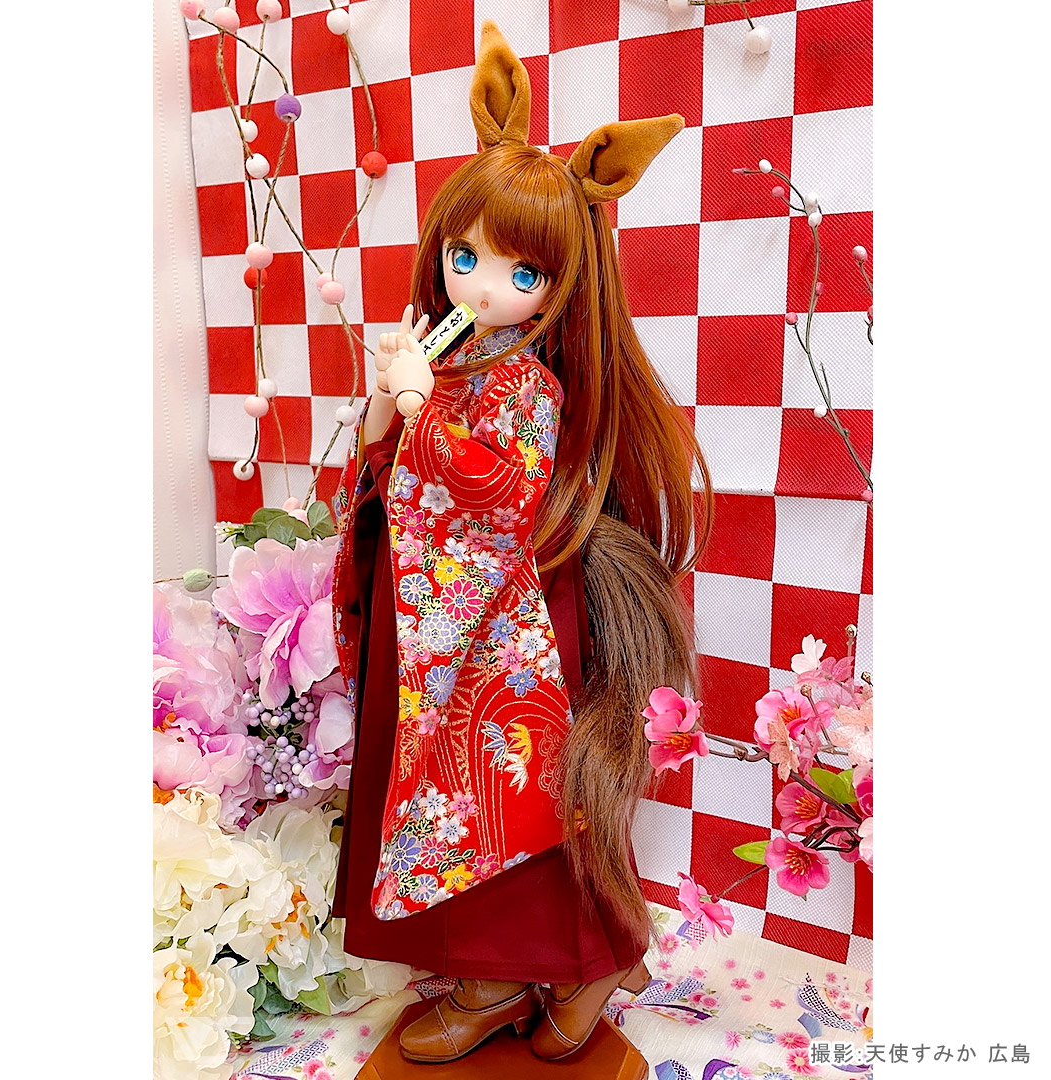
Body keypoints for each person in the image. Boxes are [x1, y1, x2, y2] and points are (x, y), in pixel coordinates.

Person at [328, 21, 713, 1065]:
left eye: (519, 272)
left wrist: (422, 410)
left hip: (507, 621)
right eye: (465, 256)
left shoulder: (525, 383)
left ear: (560, 284)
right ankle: (504, 974)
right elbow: (393, 473)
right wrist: (386, 411)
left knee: (513, 796)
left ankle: (560, 964)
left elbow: (505, 493)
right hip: (435, 614)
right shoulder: (452, 356)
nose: (482, 285)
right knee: (445, 792)